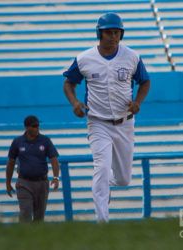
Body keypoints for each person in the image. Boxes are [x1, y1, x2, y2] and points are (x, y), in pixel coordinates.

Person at [63, 13, 150, 222]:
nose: (113, 36)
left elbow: (145, 82)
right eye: (109, 32)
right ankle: (103, 222)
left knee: (123, 179)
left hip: (125, 123)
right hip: (97, 122)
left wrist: (138, 102)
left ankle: (103, 180)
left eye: (117, 32)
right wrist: (75, 102)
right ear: (99, 33)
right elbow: (68, 83)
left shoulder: (132, 57)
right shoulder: (84, 58)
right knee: (101, 167)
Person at [5, 115, 60, 222]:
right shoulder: (17, 142)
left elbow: (54, 159)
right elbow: (11, 162)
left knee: (39, 217)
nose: (37, 128)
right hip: (24, 182)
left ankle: (37, 237)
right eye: (34, 126)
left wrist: (56, 177)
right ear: (26, 127)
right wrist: (8, 182)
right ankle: (24, 235)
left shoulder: (45, 140)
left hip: (42, 183)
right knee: (25, 211)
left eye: (38, 126)